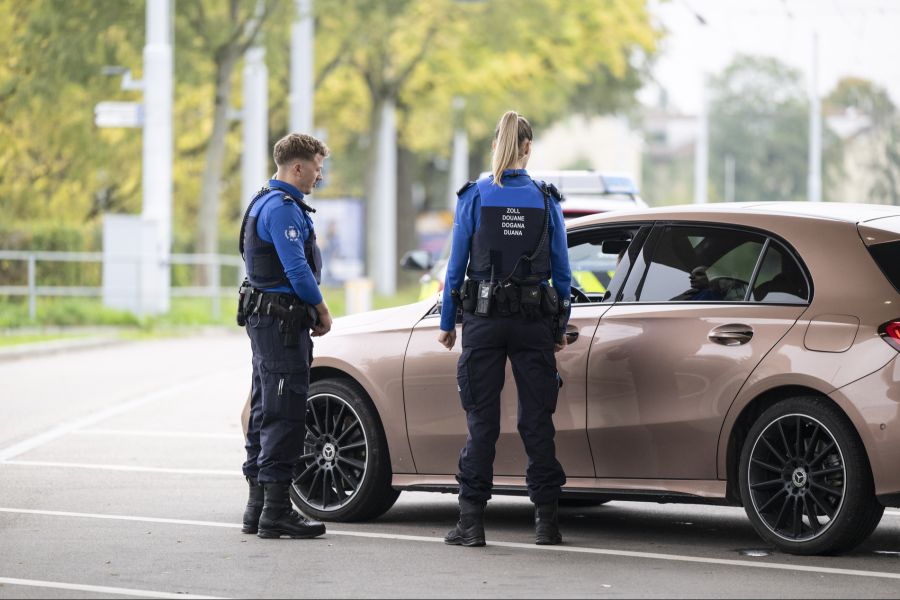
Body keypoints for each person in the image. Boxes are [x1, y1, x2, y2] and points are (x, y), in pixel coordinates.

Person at [437, 110, 572, 547]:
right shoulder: (545, 198)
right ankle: (546, 524)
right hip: (533, 323)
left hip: (483, 322)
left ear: (496, 145)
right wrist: (559, 326)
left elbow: (456, 266)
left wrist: (446, 323)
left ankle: (471, 524)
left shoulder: (475, 196)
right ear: (528, 148)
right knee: (537, 422)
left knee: (482, 423)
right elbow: (562, 273)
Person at [237, 133, 334, 539]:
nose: (319, 175)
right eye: (316, 167)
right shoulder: (282, 209)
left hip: (266, 321)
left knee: (265, 409)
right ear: (297, 167)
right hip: (281, 324)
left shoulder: (262, 200)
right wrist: (322, 309)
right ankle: (275, 513)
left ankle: (257, 508)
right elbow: (297, 272)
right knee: (284, 414)